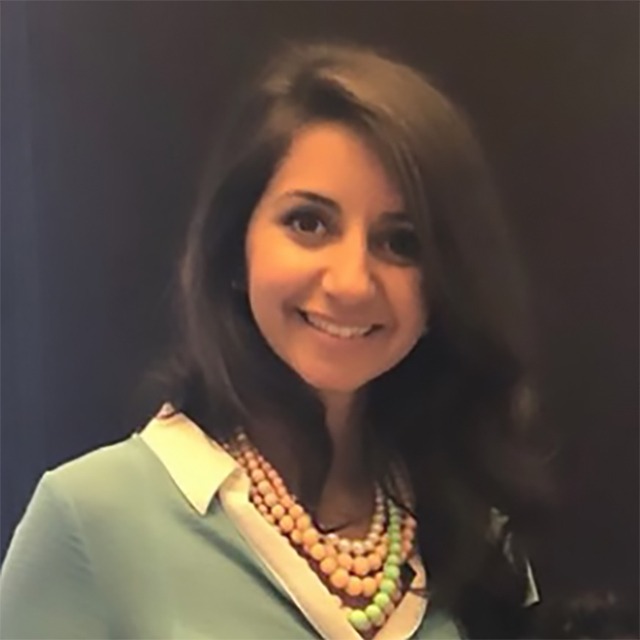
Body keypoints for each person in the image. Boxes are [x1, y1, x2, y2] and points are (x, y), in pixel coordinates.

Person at [0, 40, 550, 639]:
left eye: (401, 242)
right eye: (308, 223)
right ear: (235, 246)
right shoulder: (90, 518)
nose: (351, 281)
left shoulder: (475, 530)